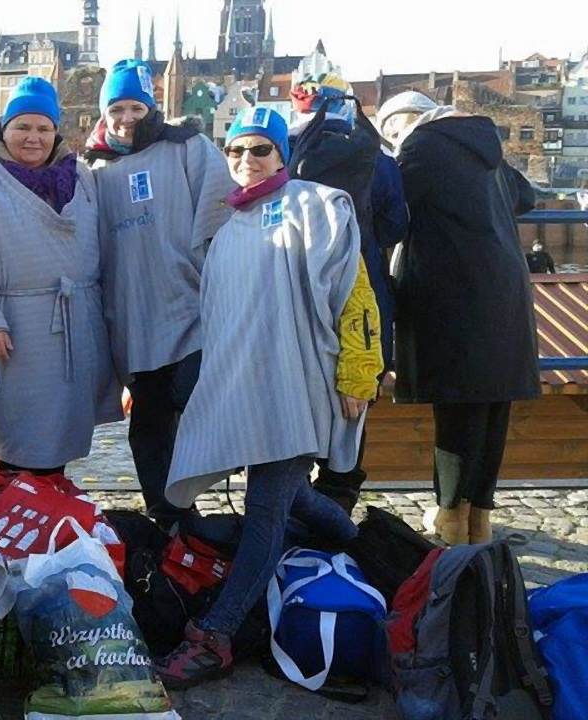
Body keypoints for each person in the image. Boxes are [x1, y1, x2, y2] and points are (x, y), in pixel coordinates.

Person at [155, 107, 381, 686]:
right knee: (291, 497)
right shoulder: (231, 227)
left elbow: (356, 293)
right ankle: (365, 549)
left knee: (265, 512)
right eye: (236, 150)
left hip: (298, 385)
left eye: (260, 149)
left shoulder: (315, 205)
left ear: (282, 154)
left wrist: (359, 372)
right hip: (248, 392)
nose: (247, 160)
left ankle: (216, 637)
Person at [0, 77, 123, 475]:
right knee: (14, 431)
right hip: (14, 325)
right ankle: (11, 501)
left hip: (78, 322)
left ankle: (51, 501)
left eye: (44, 128)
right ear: (4, 128)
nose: (33, 138)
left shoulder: (81, 178)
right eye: (22, 127)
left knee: (63, 432)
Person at [384, 93, 540, 545]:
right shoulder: (484, 148)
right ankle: (479, 520)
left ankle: (451, 519)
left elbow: (390, 211)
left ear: (414, 121)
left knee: (456, 410)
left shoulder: (421, 146)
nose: (394, 139)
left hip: (454, 294)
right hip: (505, 294)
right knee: (492, 408)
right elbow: (526, 196)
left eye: (394, 129)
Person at [85, 59, 234, 528]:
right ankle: (166, 515)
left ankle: (217, 495)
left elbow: (219, 217)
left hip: (190, 306)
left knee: (196, 403)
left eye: (135, 107)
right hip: (133, 316)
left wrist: (211, 278)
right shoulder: (95, 168)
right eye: (117, 108)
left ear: (151, 108)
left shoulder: (188, 147)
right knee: (149, 424)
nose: (126, 118)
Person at [288, 72, 410, 514]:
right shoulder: (376, 157)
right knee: (354, 403)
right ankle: (338, 502)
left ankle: (291, 501)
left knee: (297, 400)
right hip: (363, 292)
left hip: (299, 294)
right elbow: (396, 225)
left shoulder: (284, 149)